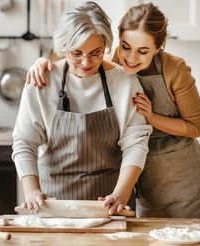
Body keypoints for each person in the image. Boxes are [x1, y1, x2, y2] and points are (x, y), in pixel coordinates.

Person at [25, 3, 200, 218]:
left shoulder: (174, 70)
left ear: (158, 48)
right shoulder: (113, 64)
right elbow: (81, 56)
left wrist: (150, 117)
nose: (131, 58)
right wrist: (44, 63)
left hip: (180, 173)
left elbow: (196, 127)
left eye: (143, 51)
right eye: (125, 46)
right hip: (140, 175)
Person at [12, 1, 152, 215]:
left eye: (96, 53)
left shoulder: (125, 81)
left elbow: (136, 143)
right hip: (53, 205)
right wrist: (31, 190)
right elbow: (24, 141)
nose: (86, 62)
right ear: (63, 47)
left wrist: (121, 195)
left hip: (109, 205)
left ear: (106, 45)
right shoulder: (42, 81)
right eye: (76, 53)